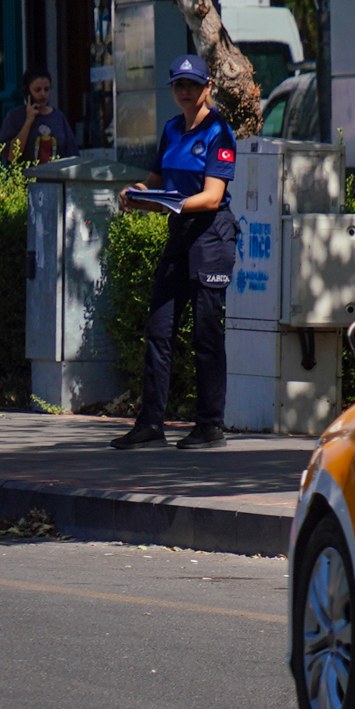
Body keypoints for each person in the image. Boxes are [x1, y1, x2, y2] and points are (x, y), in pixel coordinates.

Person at [114, 54, 239, 451]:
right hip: (179, 233)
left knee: (206, 331)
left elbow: (212, 196)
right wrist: (135, 195)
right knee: (159, 328)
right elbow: (155, 181)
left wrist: (173, 203)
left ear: (208, 88)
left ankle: (210, 425)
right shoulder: (171, 129)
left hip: (211, 235)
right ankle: (151, 424)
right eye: (179, 85)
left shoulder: (220, 131)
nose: (185, 91)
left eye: (193, 85)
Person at [0, 69, 78, 165]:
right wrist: (28, 121)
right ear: (27, 92)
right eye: (37, 90)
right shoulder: (15, 117)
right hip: (26, 177)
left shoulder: (58, 117)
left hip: (54, 177)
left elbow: (73, 156)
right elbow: (11, 156)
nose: (43, 94)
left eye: (46, 89)